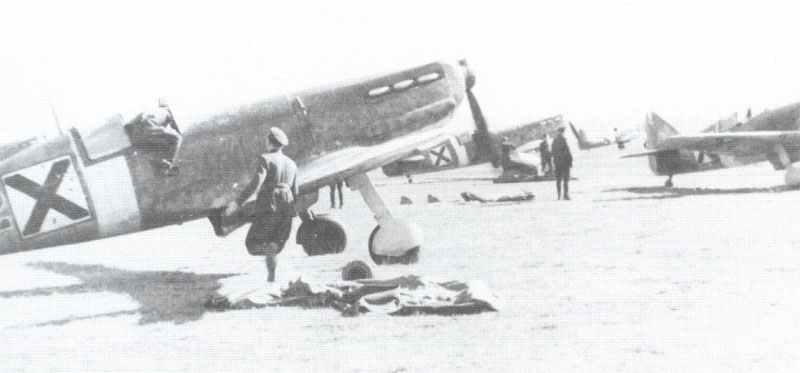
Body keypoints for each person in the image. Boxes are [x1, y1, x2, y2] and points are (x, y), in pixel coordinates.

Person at [224, 127, 298, 283]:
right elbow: (296, 191)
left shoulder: (265, 159)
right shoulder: (292, 164)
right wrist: (291, 211)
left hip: (268, 205)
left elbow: (255, 183)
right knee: (274, 243)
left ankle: (271, 257)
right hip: (287, 205)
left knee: (252, 244)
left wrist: (237, 203)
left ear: (270, 142)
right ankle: (271, 276)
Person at [551, 126, 573, 200]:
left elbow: (553, 152)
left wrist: (554, 161)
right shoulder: (564, 140)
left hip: (557, 163)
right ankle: (565, 195)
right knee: (566, 180)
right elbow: (567, 152)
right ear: (563, 132)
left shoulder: (554, 140)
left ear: (558, 131)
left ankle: (558, 196)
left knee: (558, 180)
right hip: (565, 163)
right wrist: (570, 161)